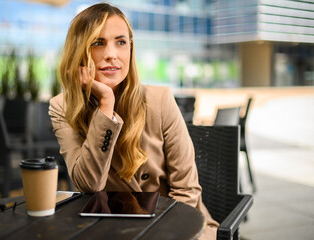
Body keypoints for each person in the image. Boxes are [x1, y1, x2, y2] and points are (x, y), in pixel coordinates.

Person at [49, 3, 219, 239]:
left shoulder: (160, 100)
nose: (112, 54)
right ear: (79, 51)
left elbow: (186, 191)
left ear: (130, 49)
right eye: (98, 43)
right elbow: (88, 185)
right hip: (115, 229)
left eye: (121, 42)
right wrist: (105, 105)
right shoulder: (62, 107)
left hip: (178, 226)